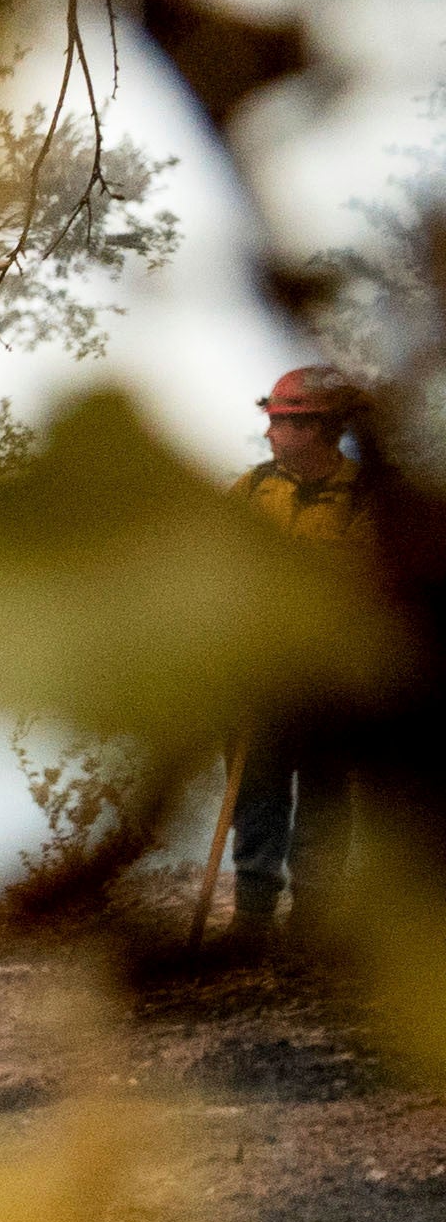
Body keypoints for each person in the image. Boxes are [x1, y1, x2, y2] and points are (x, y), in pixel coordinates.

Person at [234, 364, 377, 944]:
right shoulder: (252, 491)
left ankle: (313, 920)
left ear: (316, 429)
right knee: (256, 793)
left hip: (330, 679)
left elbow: (367, 581)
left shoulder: (365, 496)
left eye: (281, 423)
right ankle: (251, 917)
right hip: (259, 675)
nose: (269, 433)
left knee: (325, 796)